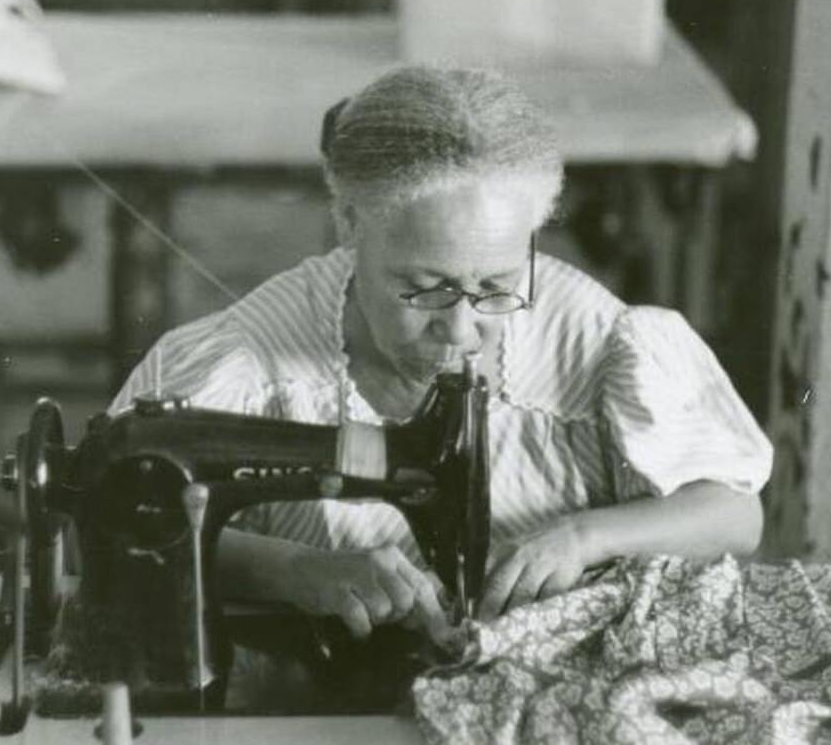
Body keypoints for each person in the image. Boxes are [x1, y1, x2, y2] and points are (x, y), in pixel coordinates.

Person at [109, 66, 771, 643]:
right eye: (422, 289)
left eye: (497, 287)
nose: (459, 331)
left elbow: (736, 515)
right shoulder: (248, 358)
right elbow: (118, 522)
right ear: (347, 222)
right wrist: (296, 572)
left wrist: (585, 537)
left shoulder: (598, 339)